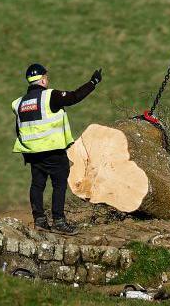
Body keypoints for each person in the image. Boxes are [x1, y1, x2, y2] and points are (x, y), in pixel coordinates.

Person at [12, 63, 102, 233]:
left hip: (32, 153)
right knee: (59, 184)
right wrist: (93, 82)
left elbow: (19, 129)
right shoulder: (49, 96)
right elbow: (74, 97)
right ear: (43, 79)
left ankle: (39, 220)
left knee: (37, 185)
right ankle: (59, 222)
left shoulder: (19, 104)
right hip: (53, 151)